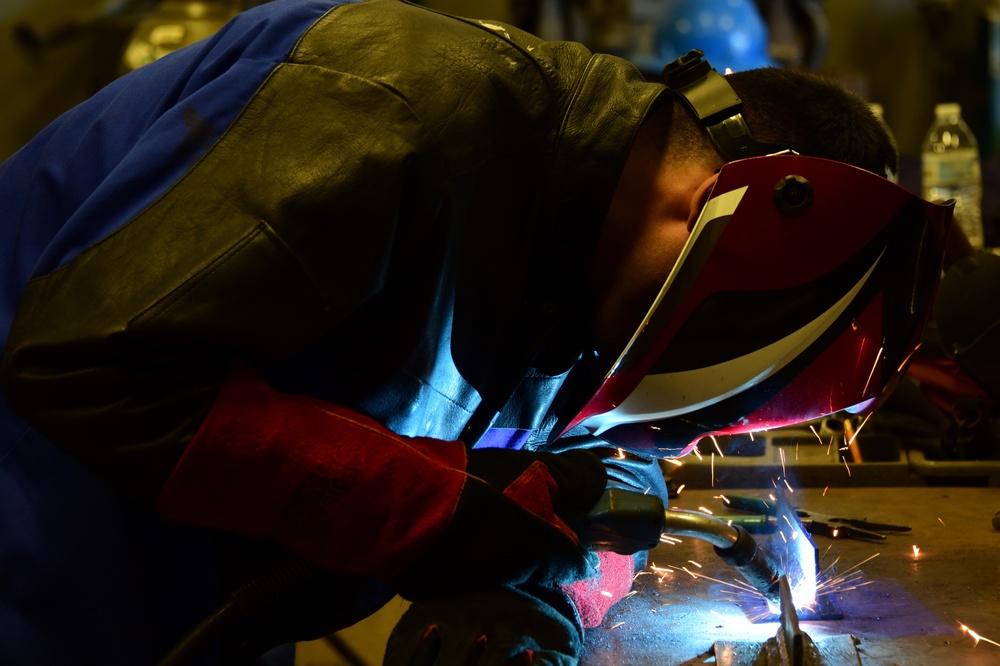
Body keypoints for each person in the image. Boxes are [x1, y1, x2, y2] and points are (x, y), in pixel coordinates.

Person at [0, 0, 952, 664]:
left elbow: (603, 478)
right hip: (37, 526)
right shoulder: (395, 99)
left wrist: (535, 601)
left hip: (206, 568)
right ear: (718, 211)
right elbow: (93, 370)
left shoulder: (603, 276)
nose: (684, 433)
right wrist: (442, 516)